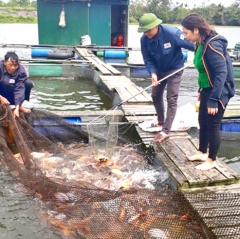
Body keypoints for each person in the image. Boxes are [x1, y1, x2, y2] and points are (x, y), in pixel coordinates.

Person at [181, 13, 234, 171]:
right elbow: (204, 71)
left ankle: (211, 160)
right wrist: (201, 88)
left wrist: (214, 99)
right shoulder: (199, 42)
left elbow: (221, 73)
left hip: (219, 90)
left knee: (212, 124)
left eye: (186, 32)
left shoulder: (212, 45)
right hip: (207, 88)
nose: (185, 36)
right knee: (202, 120)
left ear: (196, 30)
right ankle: (202, 152)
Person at [138, 13, 195, 142]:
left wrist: (203, 53)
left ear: (156, 26)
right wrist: (152, 73)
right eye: (144, 30)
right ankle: (161, 121)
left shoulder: (172, 34)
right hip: (158, 69)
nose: (146, 33)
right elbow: (147, 59)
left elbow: (194, 45)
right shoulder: (144, 39)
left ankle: (166, 130)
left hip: (175, 68)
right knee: (155, 95)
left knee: (171, 98)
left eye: (148, 30)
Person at [0, 51, 34, 118]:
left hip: (12, 95)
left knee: (28, 83)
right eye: (10, 65)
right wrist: (1, 98)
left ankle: (20, 106)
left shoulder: (21, 71)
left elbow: (19, 89)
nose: (13, 68)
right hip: (1, 94)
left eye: (15, 65)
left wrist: (17, 107)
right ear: (4, 62)